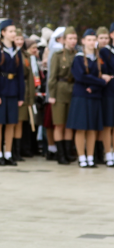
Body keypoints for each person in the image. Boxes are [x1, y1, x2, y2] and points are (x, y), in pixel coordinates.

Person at [67, 29, 111, 168]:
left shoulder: (99, 59)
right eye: (89, 40)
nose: (92, 42)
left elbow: (106, 77)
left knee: (92, 128)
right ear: (84, 41)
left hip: (95, 95)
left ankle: (90, 157)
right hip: (81, 95)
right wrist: (99, 81)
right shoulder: (79, 58)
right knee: (81, 128)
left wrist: (95, 87)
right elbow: (81, 77)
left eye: (94, 40)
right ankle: (82, 157)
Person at [0, 20, 24, 166]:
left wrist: (21, 95)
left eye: (14, 31)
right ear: (3, 33)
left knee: (11, 123)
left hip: (13, 90)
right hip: (1, 89)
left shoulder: (17, 51)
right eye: (11, 31)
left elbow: (21, 75)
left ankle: (8, 154)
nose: (13, 34)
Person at [47, 27, 77, 165]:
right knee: (59, 124)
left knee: (69, 125)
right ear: (64, 40)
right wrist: (51, 95)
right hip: (59, 91)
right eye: (70, 38)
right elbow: (52, 76)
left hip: (73, 91)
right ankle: (60, 154)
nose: (73, 41)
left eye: (75, 38)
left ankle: (67, 152)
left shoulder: (78, 54)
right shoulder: (57, 55)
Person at [19, 36, 40, 158]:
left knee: (32, 122)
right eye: (33, 47)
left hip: (33, 92)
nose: (35, 50)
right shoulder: (25, 58)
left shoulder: (33, 59)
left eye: (36, 48)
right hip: (25, 92)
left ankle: (30, 147)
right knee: (24, 122)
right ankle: (22, 148)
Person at [98, 27, 114, 166]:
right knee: (108, 124)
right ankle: (108, 154)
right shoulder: (105, 51)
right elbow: (104, 71)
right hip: (109, 90)